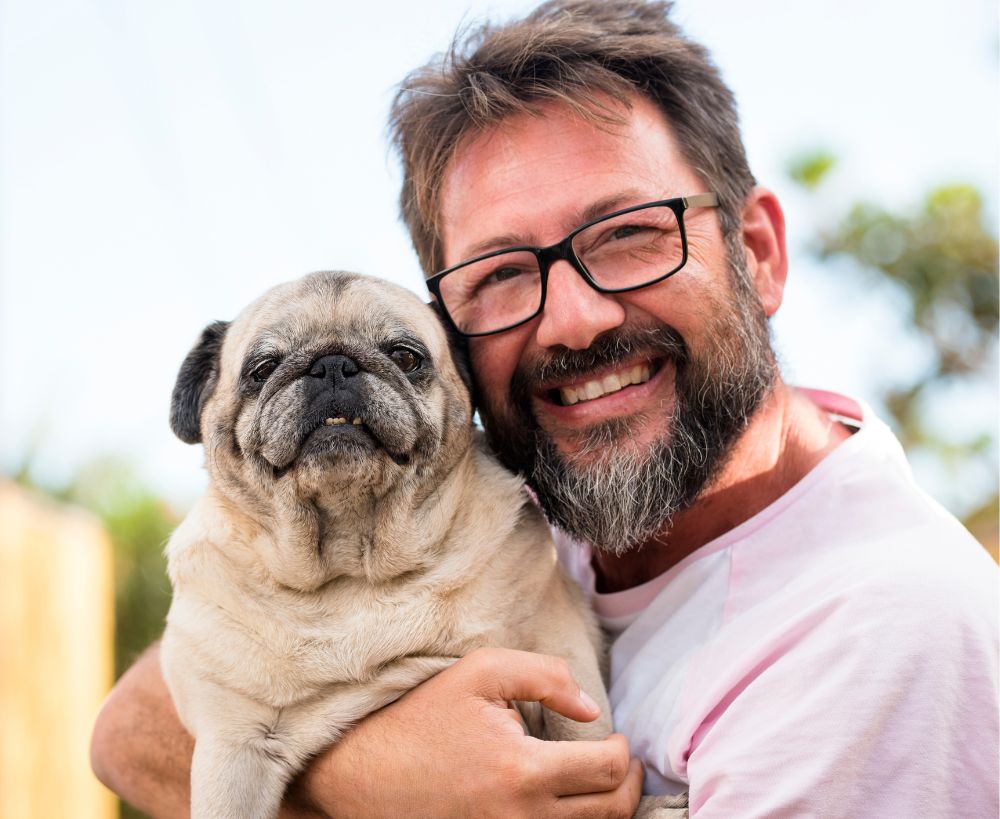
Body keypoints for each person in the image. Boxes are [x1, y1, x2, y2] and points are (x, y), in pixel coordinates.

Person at [91, 1, 999, 816]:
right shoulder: (522, 499)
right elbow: (128, 732)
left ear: (756, 251)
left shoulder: (878, 639)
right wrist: (370, 773)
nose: (573, 319)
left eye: (631, 235)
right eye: (501, 275)